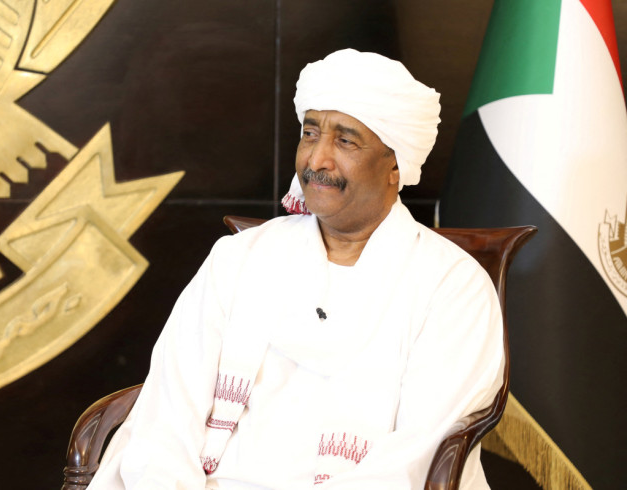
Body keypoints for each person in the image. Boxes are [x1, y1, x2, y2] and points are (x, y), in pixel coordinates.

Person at [88, 49, 503, 489]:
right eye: (310, 134)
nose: (316, 160)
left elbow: (414, 460)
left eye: (345, 141)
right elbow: (167, 417)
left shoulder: (451, 286)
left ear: (396, 166)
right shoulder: (239, 259)